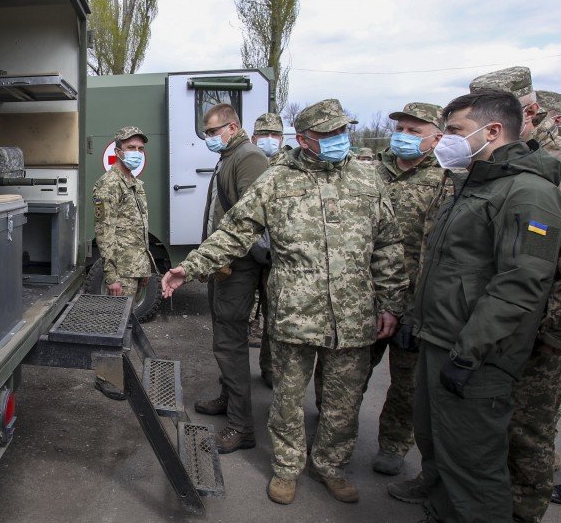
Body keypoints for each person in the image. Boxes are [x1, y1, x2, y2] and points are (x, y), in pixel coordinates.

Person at [162, 99, 406, 506]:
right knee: (288, 400)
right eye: (327, 134)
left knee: (343, 402)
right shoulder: (277, 181)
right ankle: (287, 467)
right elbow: (235, 231)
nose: (337, 140)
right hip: (297, 313)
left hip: (353, 315)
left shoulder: (368, 180)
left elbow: (387, 245)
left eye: (341, 132)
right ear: (306, 138)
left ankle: (330, 465)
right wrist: (191, 266)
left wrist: (392, 302)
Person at [402, 88, 561, 523]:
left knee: (473, 468)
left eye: (455, 130)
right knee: (437, 446)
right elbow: (450, 264)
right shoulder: (477, 183)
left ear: (492, 130)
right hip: (440, 339)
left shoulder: (528, 193)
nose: (444, 140)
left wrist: (469, 352)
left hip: (474, 355)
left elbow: (520, 284)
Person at [462, 77, 561, 522]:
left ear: (528, 113)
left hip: (536, 330)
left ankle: (524, 511)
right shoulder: (481, 159)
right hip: (477, 321)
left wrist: (557, 332)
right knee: (472, 424)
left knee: (528, 432)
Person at [366, 102, 444, 477]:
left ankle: (393, 445)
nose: (404, 136)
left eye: (415, 131)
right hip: (365, 293)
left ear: (437, 137)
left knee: (407, 381)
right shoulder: (368, 171)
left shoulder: (448, 179)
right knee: (348, 372)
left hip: (414, 300)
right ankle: (336, 434)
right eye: (401, 129)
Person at [193, 104, 268, 454]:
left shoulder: (248, 157)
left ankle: (241, 426)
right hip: (223, 264)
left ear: (233, 125)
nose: (208, 138)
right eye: (206, 133)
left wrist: (224, 258)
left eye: (212, 131)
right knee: (224, 338)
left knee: (230, 342)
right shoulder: (230, 155)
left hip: (236, 266)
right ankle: (229, 399)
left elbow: (250, 221)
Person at [92, 126, 155, 399]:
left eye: (140, 149)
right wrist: (112, 276)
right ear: (118, 151)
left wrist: (145, 268)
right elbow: (105, 233)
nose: (137, 153)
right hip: (120, 269)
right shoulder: (109, 184)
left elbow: (139, 230)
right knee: (112, 324)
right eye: (131, 148)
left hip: (135, 267)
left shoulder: (135, 184)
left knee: (124, 325)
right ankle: (106, 378)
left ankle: (118, 373)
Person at [250, 111, 286, 385]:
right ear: (254, 138)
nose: (270, 140)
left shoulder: (289, 168)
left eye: (275, 135)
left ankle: (270, 369)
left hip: (276, 256)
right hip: (247, 251)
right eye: (265, 135)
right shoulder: (249, 163)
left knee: (274, 316)